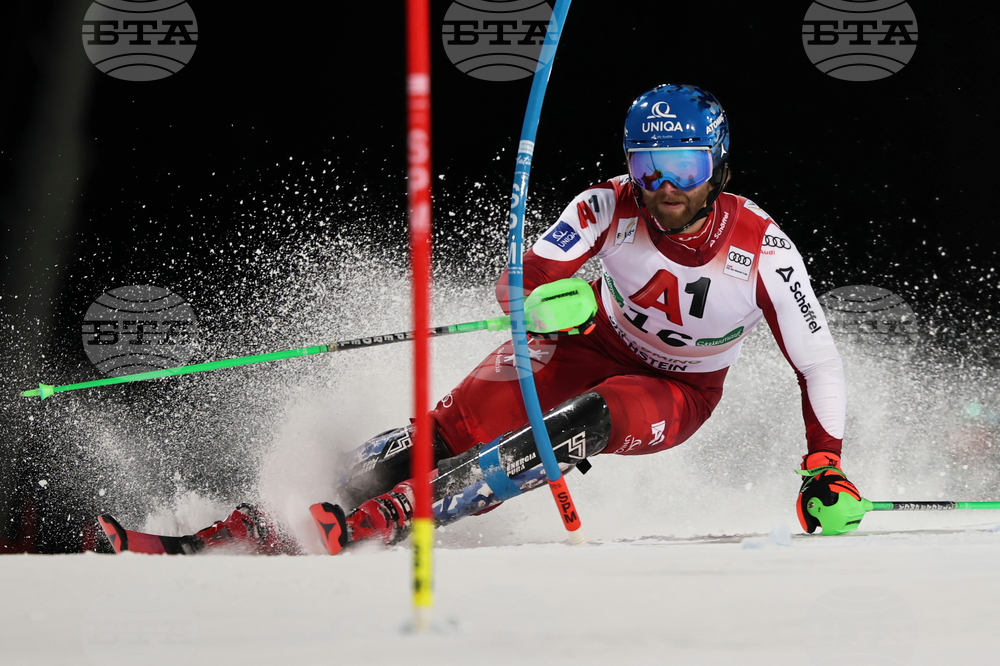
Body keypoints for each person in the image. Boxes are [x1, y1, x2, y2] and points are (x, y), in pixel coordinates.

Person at [102, 84, 863, 555]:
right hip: (590, 340)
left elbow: (818, 360)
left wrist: (823, 462)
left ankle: (401, 516)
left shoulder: (764, 246)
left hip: (677, 390)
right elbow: (526, 274)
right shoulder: (605, 204)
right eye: (648, 166)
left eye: (686, 169)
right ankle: (255, 523)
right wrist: (535, 298)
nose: (665, 187)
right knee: (456, 423)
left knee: (586, 419)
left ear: (718, 166)